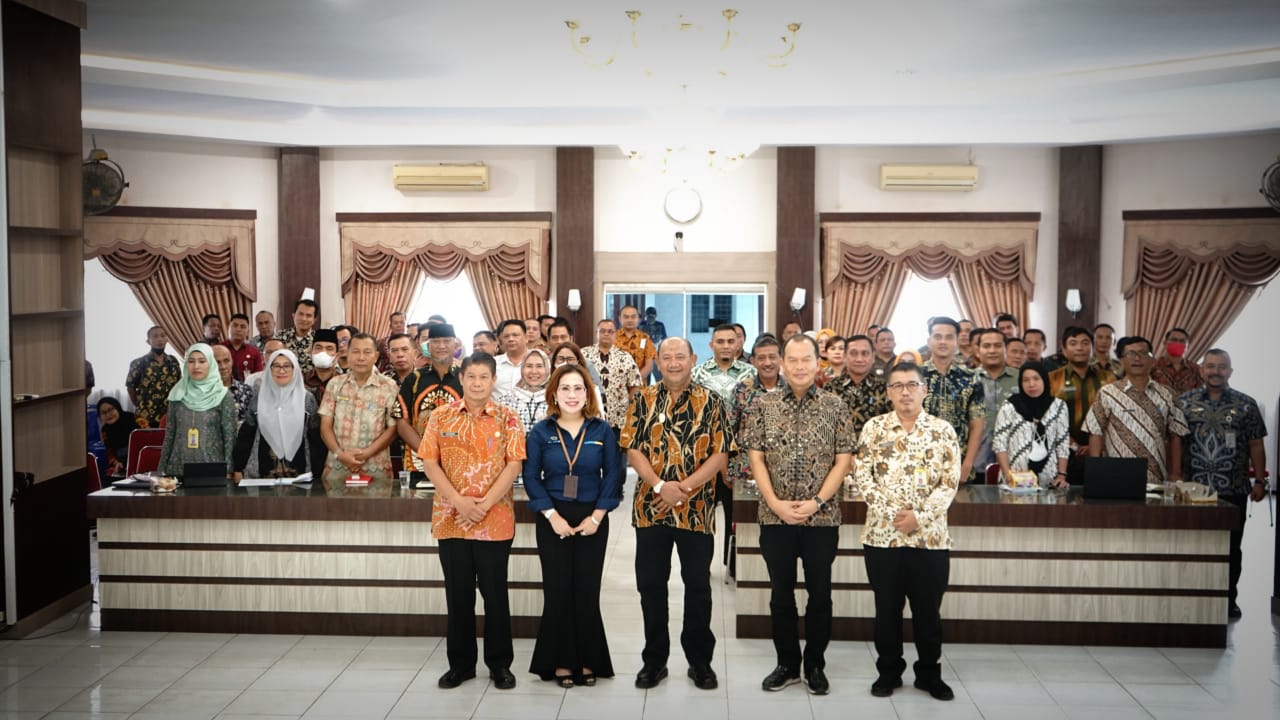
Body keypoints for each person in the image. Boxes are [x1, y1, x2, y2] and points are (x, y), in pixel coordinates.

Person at [742, 334, 853, 695]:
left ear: (818, 362)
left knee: (820, 593)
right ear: (783, 364)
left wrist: (818, 502)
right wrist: (773, 502)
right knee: (780, 593)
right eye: (793, 360)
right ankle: (787, 663)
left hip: (821, 518)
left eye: (807, 359)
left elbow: (843, 460)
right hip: (775, 517)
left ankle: (815, 664)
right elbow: (754, 456)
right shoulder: (763, 404)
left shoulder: (836, 405)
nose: (800, 366)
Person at [620, 337, 730, 691]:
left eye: (679, 356)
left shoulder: (711, 401)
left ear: (692, 359)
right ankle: (654, 661)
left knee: (698, 586)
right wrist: (658, 486)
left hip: (696, 511)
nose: (672, 363)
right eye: (665, 357)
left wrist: (681, 490)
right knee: (651, 586)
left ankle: (700, 662)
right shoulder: (642, 399)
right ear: (657, 360)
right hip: (651, 509)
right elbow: (632, 449)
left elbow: (720, 454)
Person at [420, 352, 526, 691]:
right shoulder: (440, 416)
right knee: (458, 595)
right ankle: (461, 665)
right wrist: (460, 502)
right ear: (461, 379)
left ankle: (500, 665)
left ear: (493, 380)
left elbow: (514, 465)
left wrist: (483, 505)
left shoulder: (508, 418)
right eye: (471, 377)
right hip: (451, 518)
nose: (477, 383)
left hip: (494, 519)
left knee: (496, 596)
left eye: (484, 377)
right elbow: (430, 463)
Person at [856, 362, 960, 702]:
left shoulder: (943, 430)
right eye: (897, 385)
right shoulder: (874, 429)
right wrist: (892, 515)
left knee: (927, 611)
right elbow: (863, 478)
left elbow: (950, 482)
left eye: (912, 385)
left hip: (929, 540)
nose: (905, 391)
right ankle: (888, 672)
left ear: (924, 390)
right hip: (882, 538)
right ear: (888, 392)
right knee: (886, 610)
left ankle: (929, 674)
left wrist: (920, 517)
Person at [524, 364, 621, 686]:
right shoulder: (541, 432)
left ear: (588, 393)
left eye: (578, 388)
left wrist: (597, 517)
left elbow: (614, 477)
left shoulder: (601, 430)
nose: (572, 395)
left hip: (593, 517)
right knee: (558, 591)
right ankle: (562, 663)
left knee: (586, 591)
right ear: (554, 393)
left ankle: (590, 661)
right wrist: (552, 516)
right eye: (565, 388)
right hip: (553, 517)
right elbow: (530, 478)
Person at [1177, 349, 1268, 620]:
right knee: (1193, 545)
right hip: (1193, 490)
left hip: (1234, 488)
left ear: (1230, 371)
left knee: (1232, 547)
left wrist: (1260, 480)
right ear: (1202, 370)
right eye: (1211, 366)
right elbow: (1176, 443)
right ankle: (1193, 597)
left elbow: (1256, 444)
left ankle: (1229, 599)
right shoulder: (1184, 402)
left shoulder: (1246, 404)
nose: (1216, 371)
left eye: (1222, 367)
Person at [1084, 336, 1188, 485]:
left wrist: (1175, 473)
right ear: (1121, 361)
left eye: (1143, 353)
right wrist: (1095, 472)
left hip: (1156, 478)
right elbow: (1095, 432)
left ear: (1152, 360)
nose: (1137, 358)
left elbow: (1176, 435)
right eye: (1130, 354)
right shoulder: (1107, 393)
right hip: (1115, 476)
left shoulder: (1168, 395)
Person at [318, 333, 400, 484]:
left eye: (367, 352)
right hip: (337, 468)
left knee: (376, 508)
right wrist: (340, 454)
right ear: (347, 355)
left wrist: (367, 453)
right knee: (334, 508)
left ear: (376, 356)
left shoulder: (389, 386)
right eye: (355, 351)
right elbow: (325, 426)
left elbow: (393, 428)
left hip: (376, 469)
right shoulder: (335, 384)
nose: (361, 357)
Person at [231, 349, 324, 480]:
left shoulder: (306, 399)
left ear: (295, 369)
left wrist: (318, 472)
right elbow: (247, 435)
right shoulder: (259, 398)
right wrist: (238, 468)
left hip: (300, 473)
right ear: (269, 369)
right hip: (263, 473)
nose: (281, 370)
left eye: (287, 366)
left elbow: (315, 438)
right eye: (276, 366)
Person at [393, 323, 464, 485]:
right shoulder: (414, 378)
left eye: (446, 341)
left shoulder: (466, 377)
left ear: (455, 345)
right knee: (415, 508)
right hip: (419, 462)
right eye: (436, 341)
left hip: (460, 462)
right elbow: (401, 421)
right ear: (428, 346)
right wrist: (426, 451)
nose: (441, 346)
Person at [920, 317, 985, 484]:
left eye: (949, 337)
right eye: (937, 336)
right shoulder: (915, 376)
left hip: (958, 465)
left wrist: (968, 464)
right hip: (918, 465)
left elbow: (977, 425)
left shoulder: (971, 378)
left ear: (956, 342)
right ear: (929, 341)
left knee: (960, 510)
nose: (943, 342)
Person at [158, 343, 238, 477]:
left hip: (212, 468)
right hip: (177, 469)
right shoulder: (177, 394)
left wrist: (229, 470)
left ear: (211, 364)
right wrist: (161, 469)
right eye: (191, 361)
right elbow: (170, 434)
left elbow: (230, 437)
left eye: (202, 361)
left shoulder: (223, 395)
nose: (196, 366)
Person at [1048, 326, 1115, 483]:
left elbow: (1115, 417)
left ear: (1092, 348)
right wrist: (1073, 445)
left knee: (1098, 502)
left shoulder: (1109, 379)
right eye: (1073, 343)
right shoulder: (1052, 379)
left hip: (1102, 453)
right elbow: (1048, 418)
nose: (1079, 347)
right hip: (1062, 453)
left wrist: (1097, 445)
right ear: (1063, 349)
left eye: (1085, 343)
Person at [993, 362, 1070, 488]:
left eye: (1036, 378)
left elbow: (1062, 443)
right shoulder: (1010, 406)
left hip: (1049, 480)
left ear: (1044, 380)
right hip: (1014, 479)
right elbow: (999, 443)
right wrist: (1008, 475)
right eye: (1026, 380)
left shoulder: (1058, 406)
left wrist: (1061, 475)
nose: (1031, 384)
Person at [972, 328, 1020, 475]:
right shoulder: (967, 380)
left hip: (1015, 456)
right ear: (978, 351)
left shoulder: (1021, 378)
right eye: (986, 346)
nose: (992, 350)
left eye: (997, 346)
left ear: (1006, 350)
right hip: (976, 458)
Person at [827, 335, 891, 437]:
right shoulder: (830, 388)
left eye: (865, 353)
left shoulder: (885, 388)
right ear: (844, 356)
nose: (859, 359)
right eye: (853, 353)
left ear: (873, 357)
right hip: (838, 450)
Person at [126, 325, 182, 429]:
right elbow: (131, 387)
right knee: (148, 443)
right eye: (155, 336)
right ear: (148, 341)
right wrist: (140, 405)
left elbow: (180, 385)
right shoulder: (138, 363)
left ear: (167, 339)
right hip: (146, 416)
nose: (159, 339)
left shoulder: (173, 361)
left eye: (162, 335)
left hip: (169, 415)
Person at [495, 348, 550, 433]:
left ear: (547, 369)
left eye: (539, 366)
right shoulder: (506, 401)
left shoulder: (555, 399)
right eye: (529, 366)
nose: (534, 371)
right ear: (522, 369)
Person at [97, 397, 140, 476]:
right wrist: (117, 463)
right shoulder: (105, 430)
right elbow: (109, 453)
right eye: (103, 413)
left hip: (140, 458)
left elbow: (149, 441)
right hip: (122, 463)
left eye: (110, 410)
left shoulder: (135, 419)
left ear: (117, 408)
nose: (108, 415)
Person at [1152, 327, 1203, 393]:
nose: (1178, 343)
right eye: (1174, 340)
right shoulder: (1152, 366)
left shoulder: (1196, 369)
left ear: (1187, 346)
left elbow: (1201, 394)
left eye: (1182, 341)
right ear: (1165, 343)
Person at [212, 343, 253, 424]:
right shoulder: (200, 392)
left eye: (226, 361)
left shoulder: (246, 391)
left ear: (232, 362)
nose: (223, 367)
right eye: (217, 362)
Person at [276, 299, 318, 374]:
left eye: (308, 316)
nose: (303, 318)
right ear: (293, 315)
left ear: (314, 320)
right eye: (300, 314)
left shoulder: (319, 339)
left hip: (310, 384)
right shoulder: (280, 337)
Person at [616, 305, 657, 381]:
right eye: (626, 317)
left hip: (639, 386)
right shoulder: (612, 338)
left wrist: (635, 381)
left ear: (639, 319)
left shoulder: (645, 339)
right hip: (616, 386)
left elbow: (649, 366)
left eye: (633, 317)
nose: (630, 320)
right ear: (619, 319)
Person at [303, 328, 341, 406]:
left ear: (337, 356)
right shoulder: (300, 380)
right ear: (311, 353)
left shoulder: (343, 383)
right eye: (318, 347)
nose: (323, 352)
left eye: (329, 348)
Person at [223, 313, 263, 382]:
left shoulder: (255, 352)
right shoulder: (217, 349)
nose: (238, 329)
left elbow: (258, 377)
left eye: (243, 327)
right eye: (235, 325)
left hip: (247, 390)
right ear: (228, 328)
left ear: (248, 331)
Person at [495, 319, 529, 397]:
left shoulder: (539, 361)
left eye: (515, 335)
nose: (511, 339)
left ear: (526, 338)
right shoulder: (493, 363)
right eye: (506, 336)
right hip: (498, 408)